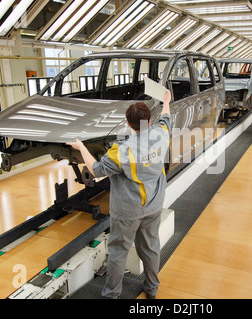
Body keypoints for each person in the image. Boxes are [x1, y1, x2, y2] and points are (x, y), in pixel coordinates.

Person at [67, 90, 172, 299]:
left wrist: (81, 147)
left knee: (118, 252)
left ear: (127, 122)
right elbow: (167, 117)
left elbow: (96, 170)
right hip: (154, 204)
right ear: (150, 120)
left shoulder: (121, 150)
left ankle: (111, 295)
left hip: (127, 210)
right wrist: (166, 101)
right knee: (151, 248)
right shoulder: (161, 133)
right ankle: (152, 289)